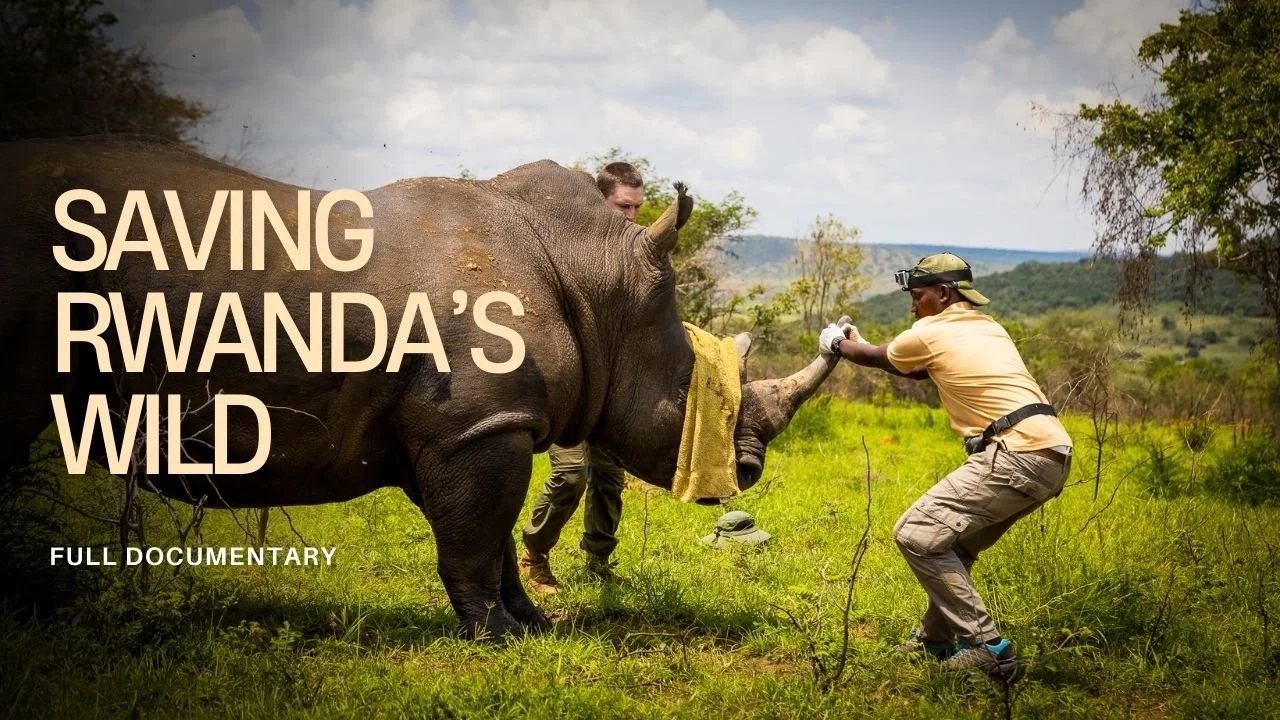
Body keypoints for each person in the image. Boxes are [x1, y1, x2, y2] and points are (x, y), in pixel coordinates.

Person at [817, 252, 1073, 681]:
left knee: (915, 533)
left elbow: (883, 357)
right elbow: (918, 370)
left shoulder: (931, 329)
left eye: (918, 296)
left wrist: (838, 344)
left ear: (943, 293)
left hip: (1015, 453)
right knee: (953, 546)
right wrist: (858, 344)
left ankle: (986, 646)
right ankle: (933, 642)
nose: (913, 307)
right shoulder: (988, 327)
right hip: (1053, 454)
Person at [518, 162, 646, 594]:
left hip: (609, 388)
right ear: (599, 200)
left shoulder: (636, 253)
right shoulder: (568, 248)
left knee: (609, 477)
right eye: (622, 207)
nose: (630, 217)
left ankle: (598, 561)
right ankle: (534, 552)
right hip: (570, 383)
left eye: (637, 209)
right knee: (572, 473)